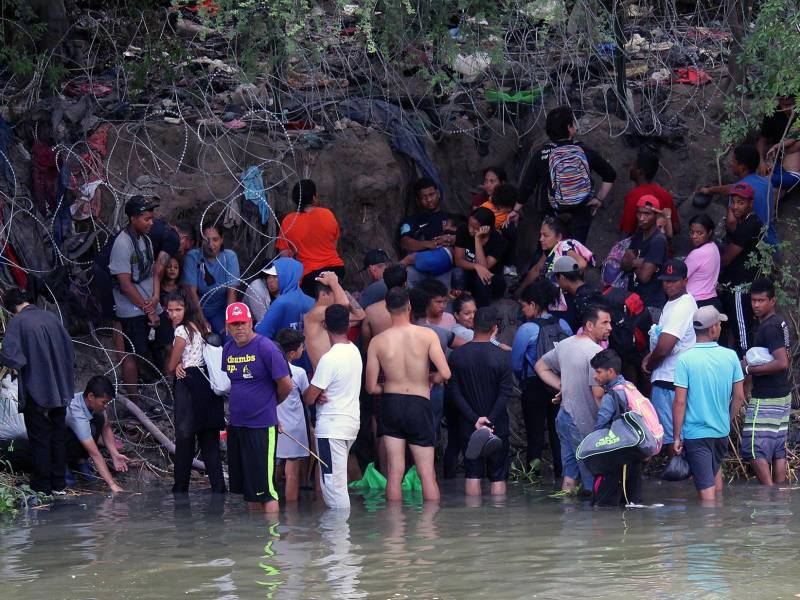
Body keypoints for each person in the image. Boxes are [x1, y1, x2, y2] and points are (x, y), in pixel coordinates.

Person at [365, 287, 451, 502]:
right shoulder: (427, 335)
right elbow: (445, 373)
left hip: (391, 404)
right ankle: (430, 522)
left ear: (387, 308)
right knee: (427, 474)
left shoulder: (378, 341)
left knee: (394, 472)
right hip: (418, 403)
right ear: (410, 306)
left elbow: (371, 387)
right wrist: (430, 379)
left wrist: (389, 387)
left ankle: (394, 523)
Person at [0, 287, 74, 495]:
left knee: (39, 439)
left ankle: (42, 486)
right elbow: (69, 350)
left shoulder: (17, 323)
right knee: (57, 436)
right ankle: (59, 484)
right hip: (60, 389)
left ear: (11, 308)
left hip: (36, 390)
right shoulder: (51, 317)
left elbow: (11, 357)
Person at [223, 302, 293, 512]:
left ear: (251, 322)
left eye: (242, 323)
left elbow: (286, 385)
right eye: (234, 324)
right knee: (249, 488)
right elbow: (234, 383)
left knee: (267, 490)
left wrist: (269, 407)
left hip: (261, 426)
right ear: (228, 326)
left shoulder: (266, 347)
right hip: (237, 425)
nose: (239, 328)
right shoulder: (228, 349)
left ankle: (271, 532)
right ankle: (254, 532)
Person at [535, 305, 612, 493]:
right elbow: (598, 394)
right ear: (589, 325)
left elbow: (540, 367)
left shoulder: (565, 344)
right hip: (582, 421)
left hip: (564, 417)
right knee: (592, 481)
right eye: (604, 323)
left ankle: (568, 510)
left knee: (570, 476)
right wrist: (606, 427)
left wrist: (563, 386)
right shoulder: (596, 352)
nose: (609, 327)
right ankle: (592, 510)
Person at [673, 306, 745, 502]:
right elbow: (739, 396)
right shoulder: (730, 356)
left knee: (706, 493)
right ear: (713, 329)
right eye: (719, 324)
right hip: (721, 432)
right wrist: (726, 420)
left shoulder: (685, 359)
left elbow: (680, 401)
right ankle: (718, 516)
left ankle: (709, 520)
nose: (720, 327)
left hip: (696, 434)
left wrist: (677, 436)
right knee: (715, 477)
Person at [516, 106, 617, 243]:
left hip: (552, 215)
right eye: (573, 123)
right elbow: (610, 175)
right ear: (569, 128)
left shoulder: (542, 155)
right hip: (581, 214)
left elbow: (527, 186)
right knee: (575, 252)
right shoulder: (584, 151)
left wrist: (515, 210)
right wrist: (598, 199)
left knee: (549, 252)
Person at [108, 196, 172, 400]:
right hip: (131, 306)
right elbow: (125, 285)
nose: (151, 223)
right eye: (146, 219)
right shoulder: (122, 244)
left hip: (149, 300)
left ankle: (172, 389)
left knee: (168, 342)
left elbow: (153, 272)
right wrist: (149, 309)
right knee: (131, 354)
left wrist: (156, 297)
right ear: (133, 219)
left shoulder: (145, 240)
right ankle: (134, 402)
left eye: (152, 218)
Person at [164, 290, 225, 494]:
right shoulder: (203, 326)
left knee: (185, 440)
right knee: (210, 442)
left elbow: (171, 365)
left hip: (188, 383)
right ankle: (219, 490)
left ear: (186, 308)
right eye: (170, 310)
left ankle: (180, 491)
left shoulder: (182, 330)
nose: (173, 314)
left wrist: (176, 365)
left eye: (178, 309)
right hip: (207, 382)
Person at [449, 307, 514, 496]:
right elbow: (505, 393)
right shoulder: (502, 356)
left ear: (473, 325)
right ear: (494, 328)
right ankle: (498, 514)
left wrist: (475, 419)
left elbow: (455, 392)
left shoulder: (457, 355)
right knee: (498, 476)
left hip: (469, 425)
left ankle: (473, 514)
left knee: (472, 474)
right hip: (497, 425)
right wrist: (490, 420)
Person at [303, 305, 362, 509]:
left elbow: (309, 398)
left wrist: (312, 393)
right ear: (348, 325)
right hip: (350, 424)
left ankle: (339, 529)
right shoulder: (354, 351)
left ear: (325, 326)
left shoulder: (329, 359)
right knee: (338, 482)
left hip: (332, 428)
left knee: (333, 486)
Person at [512, 278, 572, 476]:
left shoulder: (527, 329)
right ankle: (563, 477)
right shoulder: (563, 324)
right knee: (559, 434)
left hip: (534, 386)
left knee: (534, 436)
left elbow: (516, 364)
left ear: (533, 304)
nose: (523, 311)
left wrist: (524, 380)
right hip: (559, 385)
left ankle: (533, 478)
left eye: (524, 306)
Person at [641, 258, 697, 452]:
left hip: (671, 380)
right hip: (669, 378)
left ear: (685, 281)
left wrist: (649, 366)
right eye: (665, 280)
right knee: (671, 437)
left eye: (673, 280)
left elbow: (665, 347)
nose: (668, 284)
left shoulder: (682, 305)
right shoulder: (673, 303)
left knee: (673, 439)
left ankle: (677, 469)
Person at [741, 278, 792, 486]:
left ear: (772, 301)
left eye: (761, 301)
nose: (756, 305)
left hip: (767, 397)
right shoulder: (780, 322)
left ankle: (768, 491)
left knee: (752, 448)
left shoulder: (769, 327)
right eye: (753, 300)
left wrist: (748, 369)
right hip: (783, 395)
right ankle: (778, 495)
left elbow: (782, 362)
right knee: (778, 449)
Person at [590, 349, 643, 507]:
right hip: (635, 451)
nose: (595, 376)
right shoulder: (629, 387)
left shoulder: (611, 395)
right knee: (633, 502)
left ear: (611, 371)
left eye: (598, 372)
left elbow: (600, 427)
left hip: (618, 455)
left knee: (603, 504)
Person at [277, 179, 345, 297]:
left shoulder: (289, 221)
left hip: (310, 277)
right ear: (314, 197)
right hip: (336, 270)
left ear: (295, 200)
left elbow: (284, 256)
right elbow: (334, 245)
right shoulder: (327, 214)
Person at [698, 144, 778, 246]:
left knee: (714, 244)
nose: (730, 163)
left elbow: (731, 223)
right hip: (771, 242)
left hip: (753, 246)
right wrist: (710, 190)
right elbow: (731, 187)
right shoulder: (767, 183)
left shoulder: (738, 194)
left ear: (742, 168)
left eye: (733, 160)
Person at [65, 376, 130, 493]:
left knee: (99, 419)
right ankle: (63, 467)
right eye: (104, 402)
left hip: (71, 439)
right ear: (91, 396)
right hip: (54, 445)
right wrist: (112, 484)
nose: (106, 406)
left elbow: (106, 427)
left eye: (107, 403)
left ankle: (80, 461)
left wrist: (115, 454)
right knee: (69, 484)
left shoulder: (93, 404)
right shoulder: (76, 412)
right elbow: (94, 453)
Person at [719, 182, 762, 356]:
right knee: (734, 330)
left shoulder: (750, 225)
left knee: (742, 332)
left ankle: (747, 366)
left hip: (740, 287)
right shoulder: (744, 222)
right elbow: (732, 226)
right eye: (733, 202)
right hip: (735, 285)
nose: (736, 206)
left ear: (751, 203)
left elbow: (727, 258)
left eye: (741, 203)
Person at [273, 328, 310, 503]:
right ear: (293, 353)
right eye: (302, 347)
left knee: (275, 464)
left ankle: (273, 502)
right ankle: (291, 511)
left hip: (274, 423)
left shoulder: (270, 370)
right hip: (294, 426)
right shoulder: (298, 372)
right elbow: (308, 397)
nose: (304, 349)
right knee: (292, 472)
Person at [399, 177, 457, 287]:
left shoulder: (453, 218)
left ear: (438, 194)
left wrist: (450, 239)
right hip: (418, 269)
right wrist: (430, 244)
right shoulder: (411, 220)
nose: (429, 199)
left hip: (447, 269)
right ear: (418, 200)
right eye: (424, 197)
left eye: (431, 194)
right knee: (403, 276)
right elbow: (404, 243)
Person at [182, 224, 240, 335]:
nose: (211, 244)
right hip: (197, 310)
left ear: (222, 239)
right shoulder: (193, 257)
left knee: (229, 336)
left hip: (220, 310)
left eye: (215, 239)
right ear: (201, 240)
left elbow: (232, 292)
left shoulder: (229, 257)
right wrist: (202, 320)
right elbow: (191, 292)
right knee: (205, 339)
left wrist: (229, 319)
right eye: (206, 240)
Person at [516, 215, 594, 297]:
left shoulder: (564, 247)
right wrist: (520, 291)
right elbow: (536, 270)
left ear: (559, 237)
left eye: (545, 235)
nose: (541, 239)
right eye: (540, 235)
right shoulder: (550, 249)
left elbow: (582, 264)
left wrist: (562, 273)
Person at [303, 271, 364, 370]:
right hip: (325, 375)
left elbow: (360, 315)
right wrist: (333, 283)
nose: (337, 297)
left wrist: (339, 288)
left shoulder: (329, 314)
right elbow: (343, 304)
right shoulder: (316, 313)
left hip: (335, 372)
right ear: (323, 295)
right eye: (334, 294)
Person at [453, 207, 508, 307]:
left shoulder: (498, 241)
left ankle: (481, 311)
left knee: (482, 278)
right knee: (458, 272)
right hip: (470, 273)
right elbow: (458, 260)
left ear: (487, 229)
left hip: (491, 279)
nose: (470, 230)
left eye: (475, 228)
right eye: (469, 225)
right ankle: (461, 306)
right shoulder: (463, 230)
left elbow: (484, 268)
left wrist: (477, 239)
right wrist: (476, 266)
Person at [622, 195, 668, 309]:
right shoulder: (640, 232)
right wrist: (637, 262)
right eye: (639, 213)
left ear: (656, 215)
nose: (641, 218)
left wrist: (631, 262)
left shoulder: (658, 240)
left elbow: (644, 277)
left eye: (647, 214)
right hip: (634, 299)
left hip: (650, 304)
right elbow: (623, 264)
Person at [619, 149, 679, 236]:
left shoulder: (634, 196)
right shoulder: (666, 195)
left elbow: (627, 231)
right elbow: (676, 228)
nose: (631, 168)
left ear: (640, 172)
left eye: (634, 166)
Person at [254, 257, 315, 339]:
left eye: (275, 276)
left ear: (287, 276)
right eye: (268, 276)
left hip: (283, 347)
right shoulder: (312, 302)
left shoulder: (280, 302)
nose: (270, 280)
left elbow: (262, 332)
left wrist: (257, 325)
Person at [361, 263, 407, 349]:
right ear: (405, 284)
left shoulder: (370, 312)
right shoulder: (413, 305)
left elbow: (366, 347)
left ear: (385, 283)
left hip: (382, 354)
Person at [550, 256, 600, 333]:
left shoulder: (581, 299)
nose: (557, 281)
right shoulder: (593, 289)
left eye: (556, 278)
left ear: (562, 278)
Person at [685, 214, 721, 310]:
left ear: (709, 232)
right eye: (691, 232)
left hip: (697, 302)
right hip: (711, 300)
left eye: (699, 233)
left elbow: (680, 276)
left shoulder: (697, 253)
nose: (694, 236)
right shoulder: (713, 247)